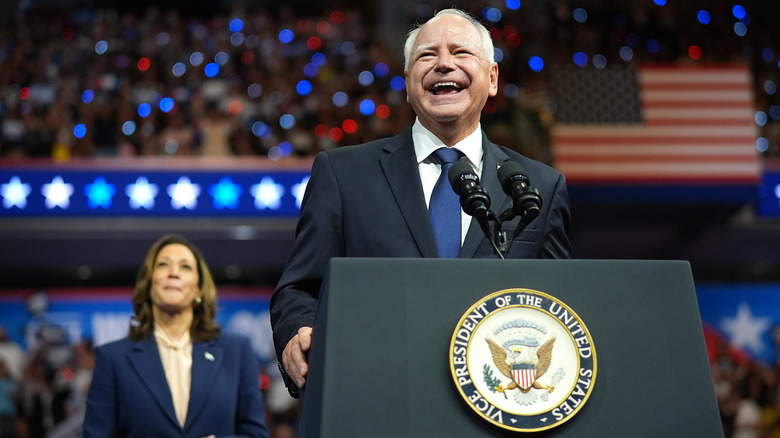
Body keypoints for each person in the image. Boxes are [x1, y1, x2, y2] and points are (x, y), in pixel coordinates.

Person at [270, 8, 572, 398]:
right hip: (375, 394)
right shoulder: (343, 174)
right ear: (409, 82)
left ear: (492, 78)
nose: (444, 64)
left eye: (461, 52)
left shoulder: (539, 187)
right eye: (427, 56)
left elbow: (561, 303)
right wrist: (298, 333)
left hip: (500, 404)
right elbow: (299, 288)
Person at [83, 234, 269, 438]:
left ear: (199, 288)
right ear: (148, 284)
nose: (173, 273)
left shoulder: (236, 350)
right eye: (163, 265)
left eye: (185, 267)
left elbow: (256, 434)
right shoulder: (112, 359)